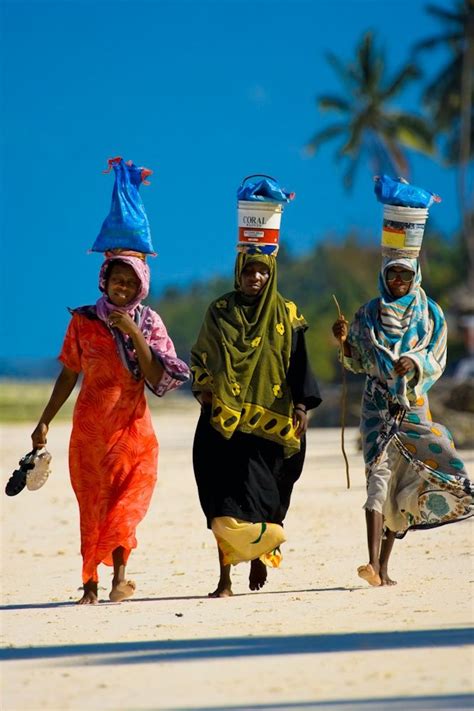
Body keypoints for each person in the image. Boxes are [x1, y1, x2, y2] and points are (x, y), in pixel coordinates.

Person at [31, 254, 190, 604]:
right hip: (89, 432)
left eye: (132, 282)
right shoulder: (83, 322)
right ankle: (90, 583)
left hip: (133, 431)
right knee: (92, 506)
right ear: (104, 279)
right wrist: (44, 420)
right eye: (118, 279)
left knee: (124, 505)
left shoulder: (148, 323)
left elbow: (155, 375)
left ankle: (119, 578)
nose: (123, 286)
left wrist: (132, 331)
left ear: (142, 287)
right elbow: (69, 374)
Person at [332, 257, 473, 587]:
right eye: (392, 272)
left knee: (404, 486)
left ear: (415, 275)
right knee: (378, 479)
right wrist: (345, 343)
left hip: (413, 409)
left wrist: (413, 362)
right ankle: (371, 563)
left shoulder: (431, 314)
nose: (398, 279)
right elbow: (358, 361)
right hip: (376, 408)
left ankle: (383, 566)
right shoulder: (367, 313)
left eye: (404, 273)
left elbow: (436, 357)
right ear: (383, 275)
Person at [191, 252, 321, 597]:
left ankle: (260, 554)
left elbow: (300, 363)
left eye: (263, 271)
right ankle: (224, 580)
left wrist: (302, 404)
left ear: (272, 275)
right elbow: (201, 355)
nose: (255, 277)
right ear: (239, 274)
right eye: (249, 271)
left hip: (271, 425)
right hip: (225, 424)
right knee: (222, 501)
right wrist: (204, 390)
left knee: (266, 501)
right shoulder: (220, 311)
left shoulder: (288, 314)